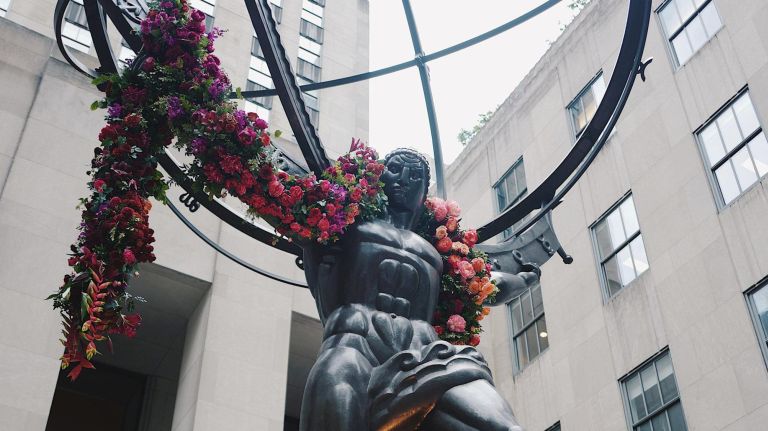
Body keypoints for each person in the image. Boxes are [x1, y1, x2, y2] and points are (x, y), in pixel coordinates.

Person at [294, 148, 535, 430]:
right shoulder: (348, 230)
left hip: (423, 354)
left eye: (415, 175)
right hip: (353, 346)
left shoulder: (437, 255)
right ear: (378, 178)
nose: (404, 179)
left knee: (502, 426)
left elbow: (488, 285)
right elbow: (312, 254)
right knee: (335, 393)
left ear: (425, 192)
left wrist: (526, 279)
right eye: (395, 169)